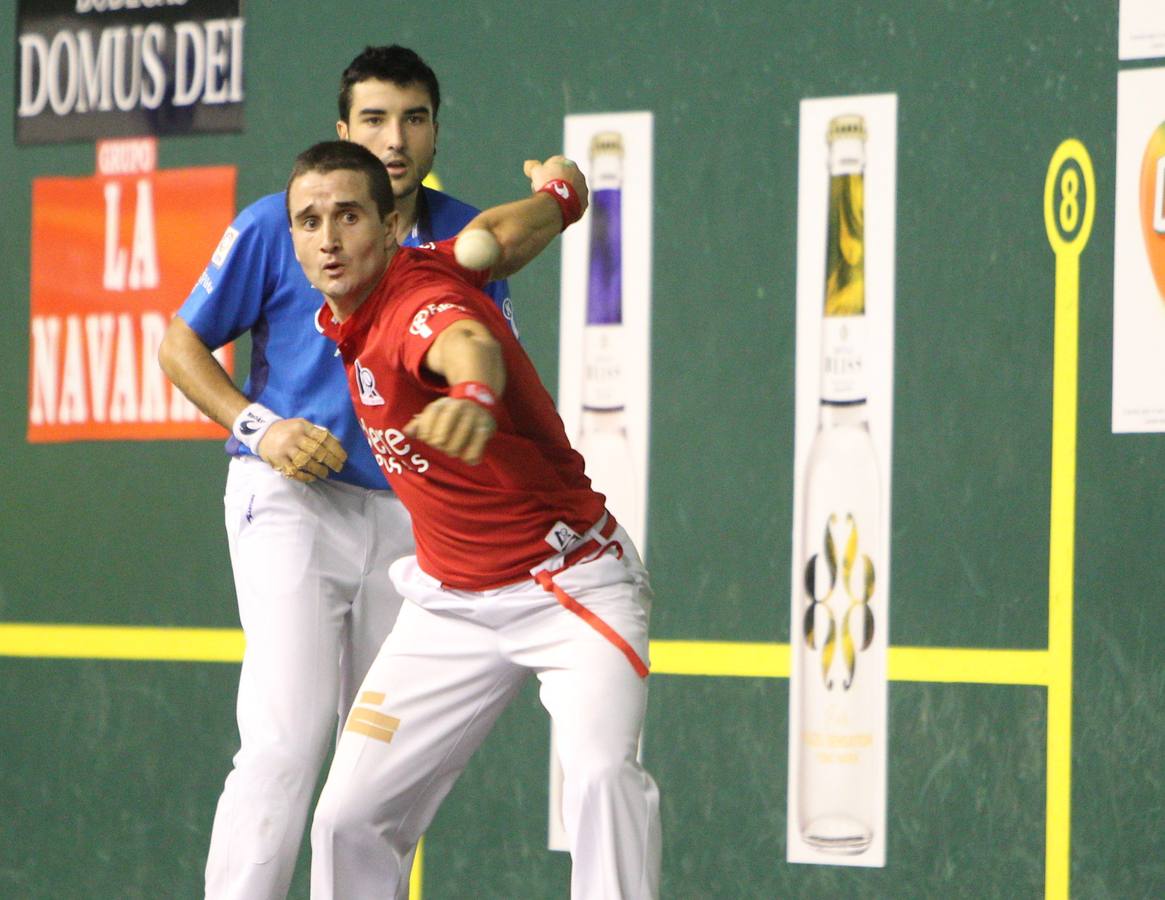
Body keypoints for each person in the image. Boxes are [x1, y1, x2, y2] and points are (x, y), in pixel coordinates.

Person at [158, 46, 512, 900]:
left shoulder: (465, 242)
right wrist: (261, 427)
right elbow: (180, 344)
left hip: (407, 522)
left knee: (375, 769)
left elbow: (483, 367)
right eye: (375, 119)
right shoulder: (279, 223)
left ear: (435, 131)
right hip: (289, 502)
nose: (395, 138)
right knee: (286, 738)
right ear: (343, 132)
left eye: (414, 118)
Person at [283, 140, 660, 899]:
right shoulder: (428, 265)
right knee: (346, 819)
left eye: (348, 216)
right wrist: (562, 195)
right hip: (449, 603)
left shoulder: (418, 307)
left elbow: (466, 342)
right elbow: (498, 237)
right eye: (308, 221)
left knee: (600, 777)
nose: (327, 238)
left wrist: (474, 397)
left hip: (569, 587)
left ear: (391, 228)